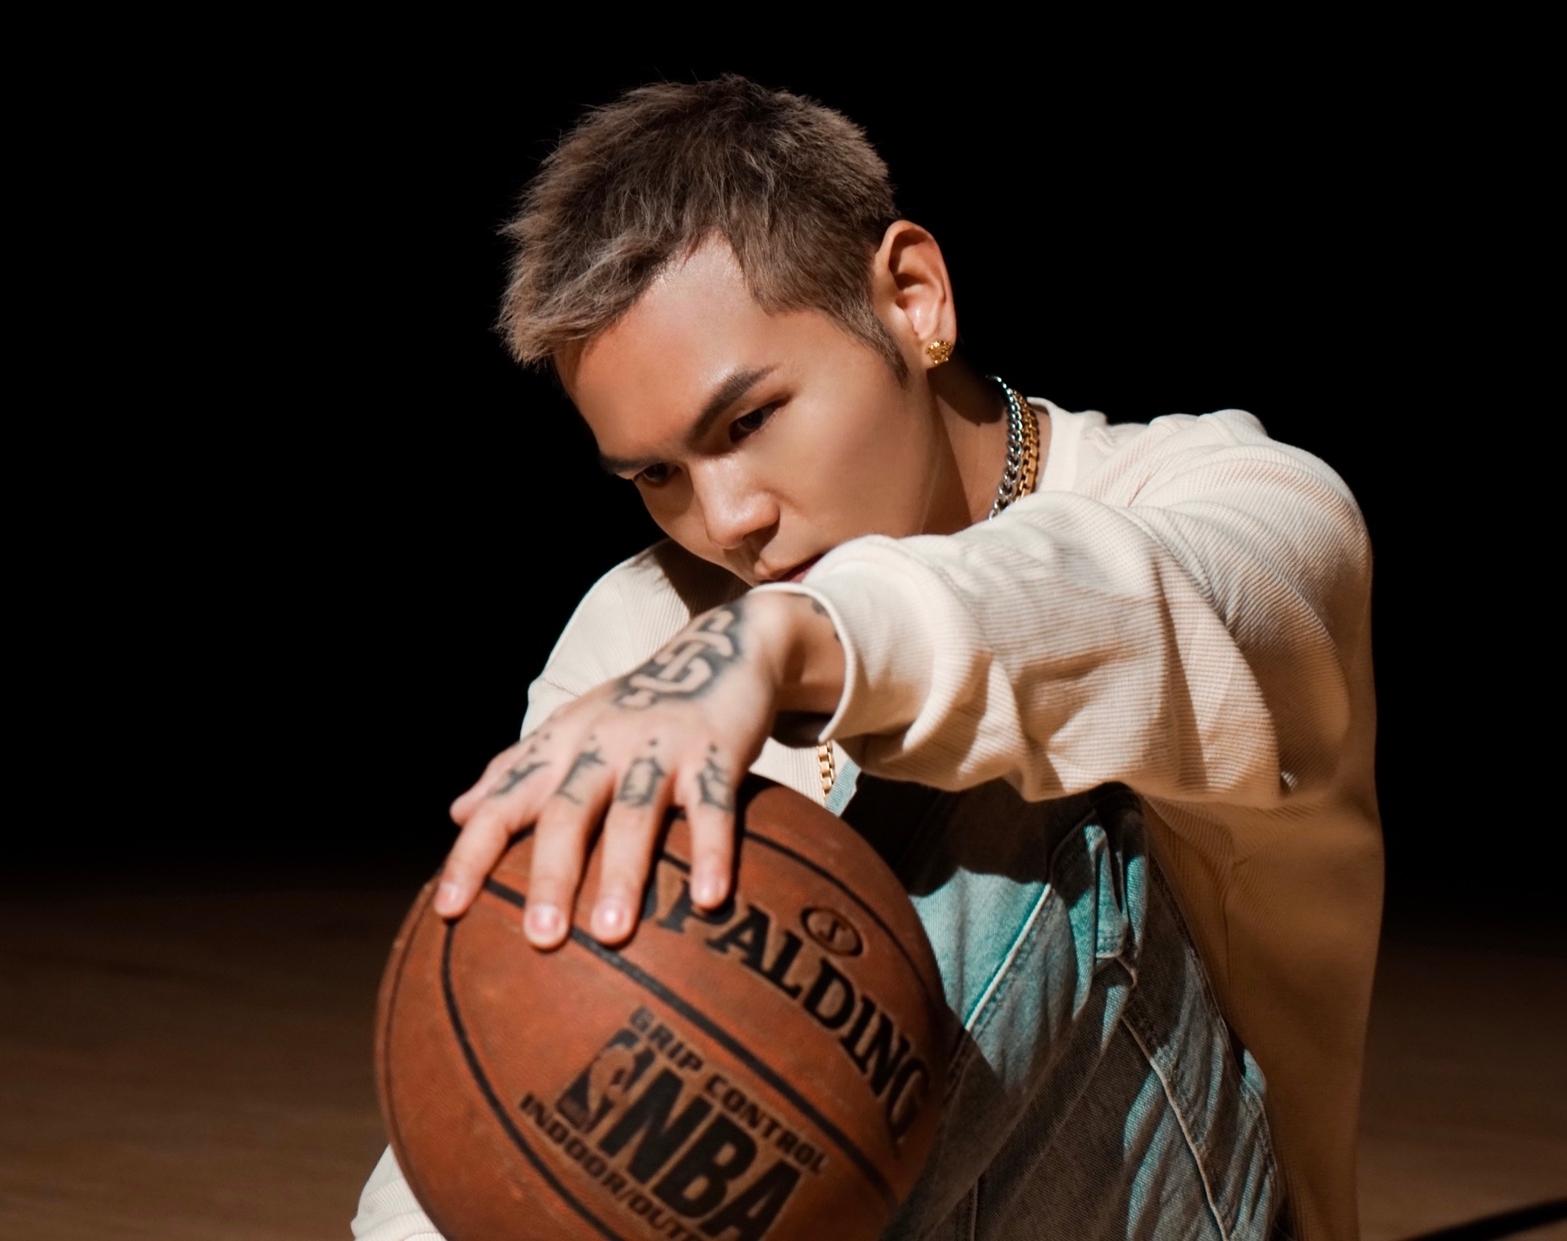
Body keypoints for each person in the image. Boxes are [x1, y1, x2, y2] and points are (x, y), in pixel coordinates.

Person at [354, 76, 1380, 1241]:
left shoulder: (1234, 501)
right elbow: (506, 1028)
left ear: (913, 297)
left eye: (748, 421)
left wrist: (796, 635)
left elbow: (1142, 599)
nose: (726, 519)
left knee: (1001, 771)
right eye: (658, 474)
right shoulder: (643, 626)